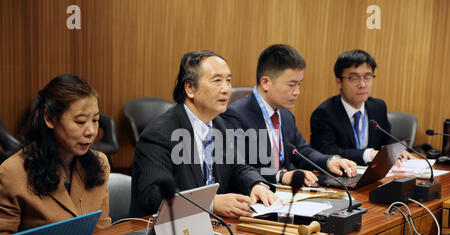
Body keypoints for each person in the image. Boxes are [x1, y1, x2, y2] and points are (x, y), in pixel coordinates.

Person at [130, 50, 278, 219]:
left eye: (228, 81)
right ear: (190, 88)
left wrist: (256, 185)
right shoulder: (160, 133)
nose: (226, 89)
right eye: (217, 81)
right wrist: (210, 204)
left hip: (211, 229)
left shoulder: (218, 124)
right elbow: (153, 196)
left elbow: (238, 168)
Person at [0, 74, 111, 235]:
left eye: (96, 120)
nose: (91, 131)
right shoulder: (13, 172)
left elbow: (103, 231)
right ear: (50, 119)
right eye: (80, 121)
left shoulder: (100, 163)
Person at [221, 44, 357, 187]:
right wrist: (281, 176)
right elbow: (237, 169)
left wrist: (330, 161)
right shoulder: (235, 115)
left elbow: (302, 151)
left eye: (299, 84)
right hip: (256, 194)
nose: (297, 91)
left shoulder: (285, 114)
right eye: (291, 85)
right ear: (266, 82)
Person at [310, 49, 414, 165]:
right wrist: (368, 154)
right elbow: (327, 152)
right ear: (339, 82)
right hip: (343, 176)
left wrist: (396, 150)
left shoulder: (378, 107)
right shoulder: (324, 113)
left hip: (375, 174)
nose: (362, 84)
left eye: (367, 77)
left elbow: (386, 138)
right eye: (354, 78)